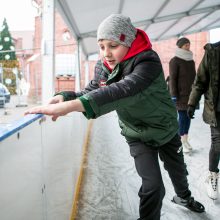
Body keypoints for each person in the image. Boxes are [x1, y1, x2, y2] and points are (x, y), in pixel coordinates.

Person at [25, 14, 205, 219]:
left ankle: (184, 197)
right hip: (136, 133)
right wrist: (65, 97)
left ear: (128, 42)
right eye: (102, 47)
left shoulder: (148, 61)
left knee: (178, 172)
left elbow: (124, 89)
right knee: (153, 187)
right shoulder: (103, 66)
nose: (106, 54)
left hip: (165, 128)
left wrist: (72, 107)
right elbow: (93, 90)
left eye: (113, 46)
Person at [187, 41, 220, 200]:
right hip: (217, 109)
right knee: (218, 143)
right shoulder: (213, 52)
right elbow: (200, 80)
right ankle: (213, 175)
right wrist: (192, 103)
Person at [169, 37, 196, 153]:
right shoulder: (175, 61)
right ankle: (180, 142)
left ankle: (185, 140)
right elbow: (172, 79)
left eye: (189, 45)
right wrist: (174, 95)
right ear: (180, 46)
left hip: (191, 95)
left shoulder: (191, 61)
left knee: (188, 117)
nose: (188, 47)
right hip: (180, 95)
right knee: (182, 118)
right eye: (186, 45)